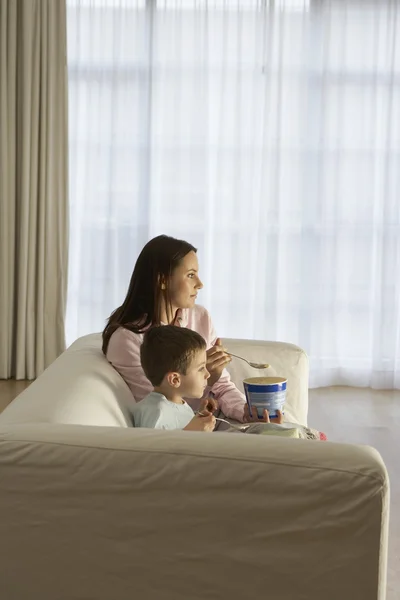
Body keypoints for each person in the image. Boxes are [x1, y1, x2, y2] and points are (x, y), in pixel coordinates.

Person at [103, 234, 272, 423]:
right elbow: (162, 409)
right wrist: (206, 376)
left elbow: (223, 386)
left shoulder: (200, 317)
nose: (200, 284)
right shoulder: (129, 340)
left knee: (289, 432)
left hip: (213, 417)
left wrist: (245, 412)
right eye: (191, 275)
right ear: (163, 280)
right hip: (188, 429)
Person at [132, 325, 217, 431]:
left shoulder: (178, 403)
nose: (207, 374)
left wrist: (199, 416)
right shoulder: (155, 412)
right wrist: (191, 432)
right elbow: (153, 446)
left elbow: (177, 426)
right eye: (201, 368)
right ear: (175, 380)